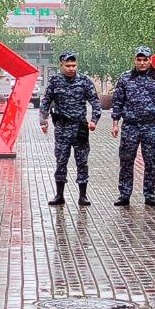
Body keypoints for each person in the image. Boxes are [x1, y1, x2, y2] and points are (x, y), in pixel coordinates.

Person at [111, 45, 155, 206]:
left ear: (150, 60)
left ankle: (149, 194)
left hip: (150, 125)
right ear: (135, 60)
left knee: (151, 161)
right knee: (126, 161)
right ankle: (124, 194)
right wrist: (115, 123)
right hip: (130, 126)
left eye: (145, 59)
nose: (142, 63)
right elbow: (118, 102)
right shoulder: (125, 78)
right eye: (139, 59)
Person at [39, 51, 102, 206]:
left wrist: (94, 120)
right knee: (61, 161)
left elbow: (95, 102)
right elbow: (46, 101)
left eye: (74, 65)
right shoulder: (55, 81)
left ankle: (83, 196)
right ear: (61, 65)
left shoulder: (84, 81)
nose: (71, 68)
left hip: (80, 128)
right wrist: (43, 120)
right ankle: (59, 195)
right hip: (62, 128)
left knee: (82, 162)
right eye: (68, 65)